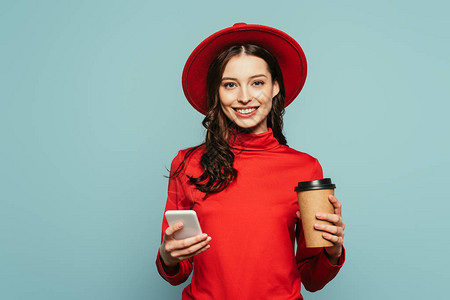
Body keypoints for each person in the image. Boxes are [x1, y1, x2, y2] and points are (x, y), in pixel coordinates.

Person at [156, 23, 346, 299]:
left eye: (257, 82)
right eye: (230, 85)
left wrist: (334, 250)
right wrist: (168, 255)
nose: (244, 97)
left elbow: (312, 279)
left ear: (275, 87)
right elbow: (177, 272)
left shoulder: (306, 168)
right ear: (217, 92)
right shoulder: (188, 163)